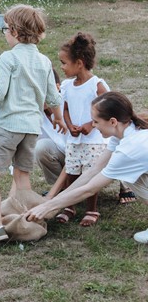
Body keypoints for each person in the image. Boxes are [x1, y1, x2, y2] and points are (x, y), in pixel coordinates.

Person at [0, 4, 66, 249]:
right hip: (32, 128)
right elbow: (53, 97)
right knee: (22, 176)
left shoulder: (8, 58)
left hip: (9, 126)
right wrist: (59, 118)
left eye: (5, 29)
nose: (4, 34)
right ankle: (27, 223)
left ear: (13, 31)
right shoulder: (43, 61)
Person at [26, 92, 148, 244]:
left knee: (130, 179)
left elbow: (89, 189)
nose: (94, 126)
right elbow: (93, 171)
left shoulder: (129, 149)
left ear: (112, 121)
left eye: (96, 121)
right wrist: (52, 202)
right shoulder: (124, 133)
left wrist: (48, 207)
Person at [55, 32, 111, 226]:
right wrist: (70, 126)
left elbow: (107, 109)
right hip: (74, 140)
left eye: (64, 63)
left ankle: (91, 209)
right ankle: (70, 206)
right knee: (71, 172)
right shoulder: (68, 86)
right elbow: (66, 108)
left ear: (79, 63)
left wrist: (91, 125)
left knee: (89, 174)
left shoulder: (96, 85)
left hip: (94, 141)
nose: (61, 67)